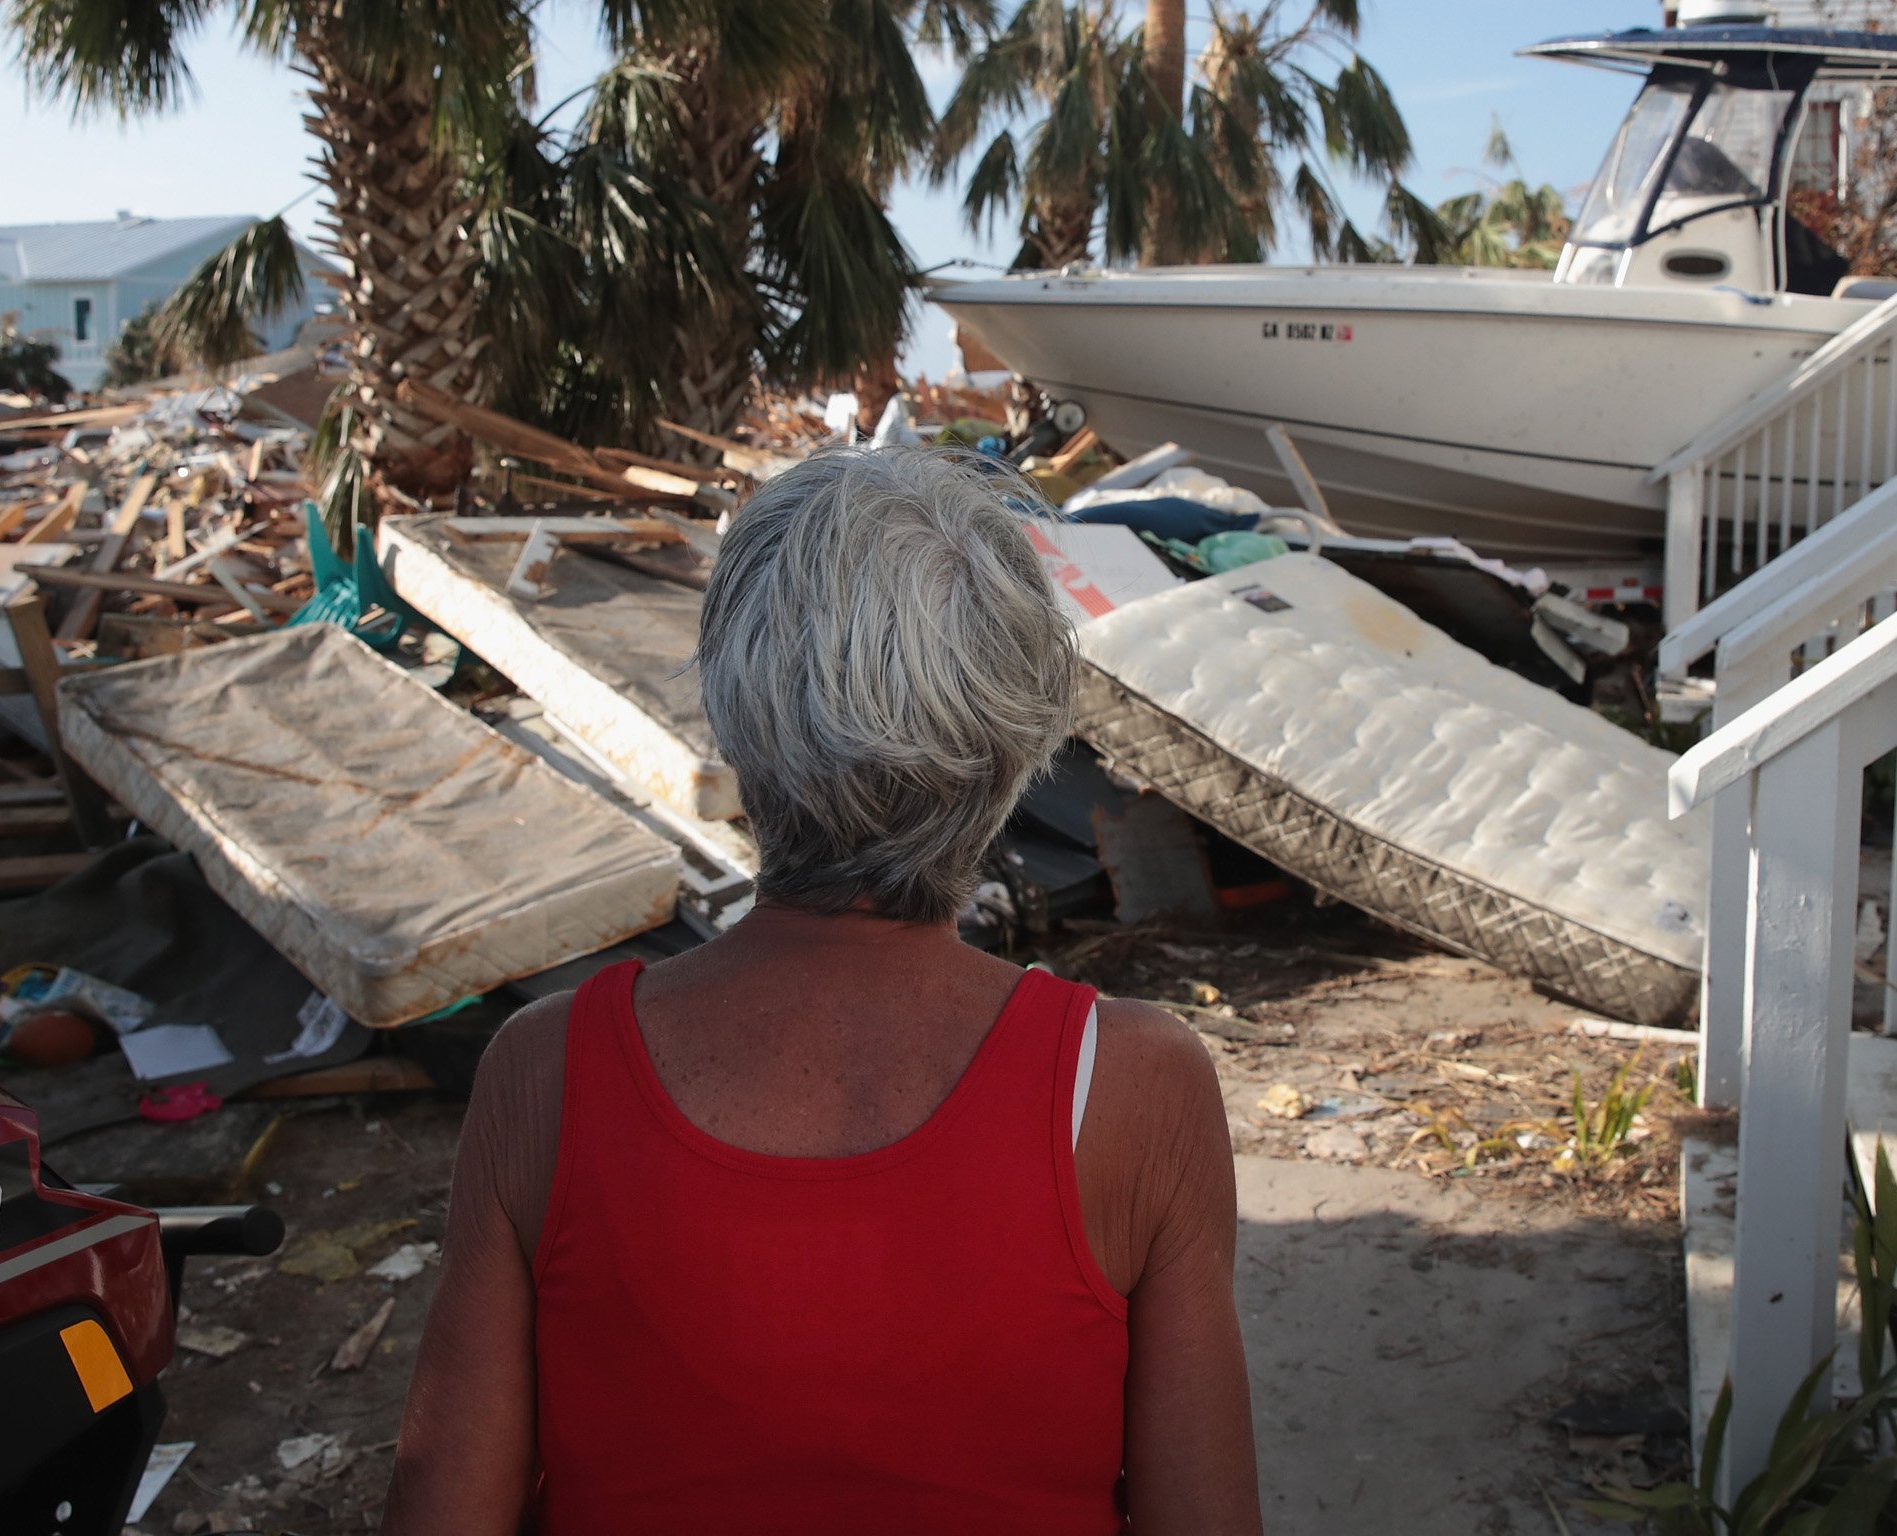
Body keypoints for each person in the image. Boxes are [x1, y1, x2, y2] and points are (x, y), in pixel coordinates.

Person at [382, 446, 1261, 1534]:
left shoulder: (545, 1068)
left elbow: (443, 1509)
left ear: (733, 715)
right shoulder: (1134, 1084)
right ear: (1016, 740)